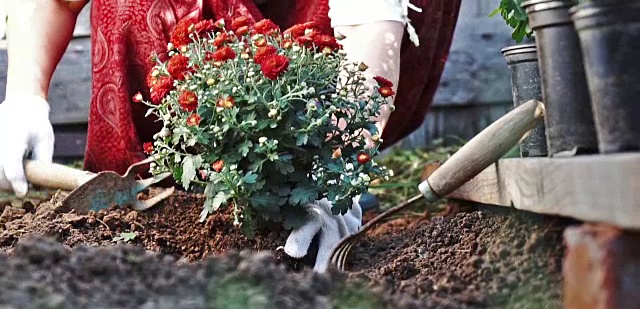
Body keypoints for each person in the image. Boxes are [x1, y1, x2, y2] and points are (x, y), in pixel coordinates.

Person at [0, 0, 461, 272]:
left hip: (323, 33)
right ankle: (160, 190)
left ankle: (298, 192)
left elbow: (368, 49)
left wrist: (331, 175)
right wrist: (23, 96)